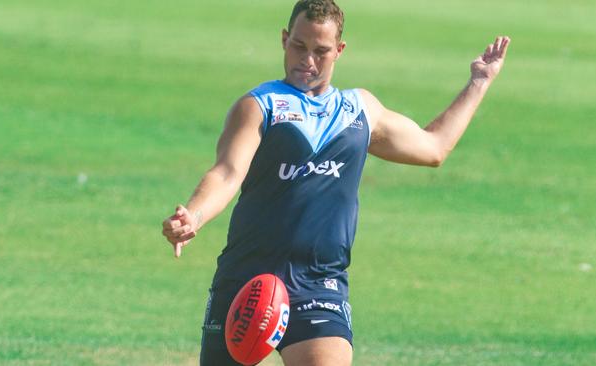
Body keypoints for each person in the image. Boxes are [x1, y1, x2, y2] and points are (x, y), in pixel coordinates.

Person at [162, 0, 510, 365]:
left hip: (319, 283)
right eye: (299, 46)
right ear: (284, 39)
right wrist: (195, 216)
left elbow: (434, 147)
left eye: (321, 51)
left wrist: (479, 81)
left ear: (339, 51)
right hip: (246, 279)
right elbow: (227, 172)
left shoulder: (360, 111)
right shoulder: (261, 105)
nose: (307, 61)